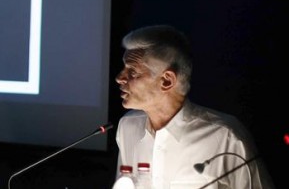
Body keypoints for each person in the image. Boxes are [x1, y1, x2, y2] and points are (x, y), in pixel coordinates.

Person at [114, 25, 274, 189]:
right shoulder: (128, 127)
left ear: (167, 81)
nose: (119, 78)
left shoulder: (226, 136)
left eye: (132, 71)